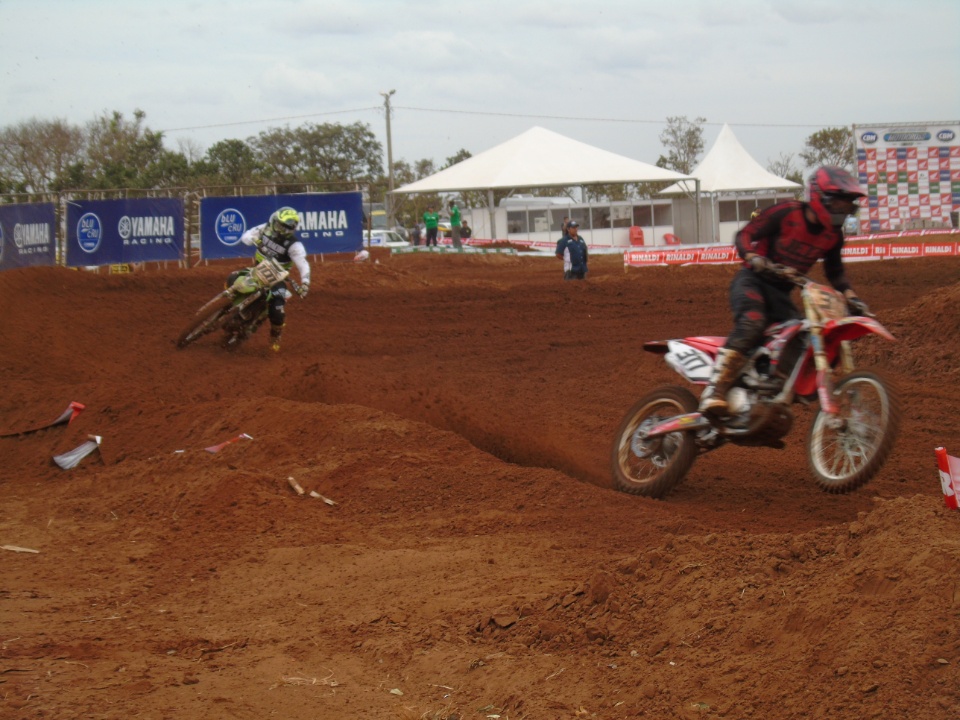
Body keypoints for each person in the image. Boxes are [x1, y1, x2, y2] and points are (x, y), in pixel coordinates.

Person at [699, 166, 870, 417]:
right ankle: (715, 390)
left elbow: (836, 273)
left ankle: (765, 391)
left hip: (782, 294)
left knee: (802, 337)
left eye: (848, 206)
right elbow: (746, 234)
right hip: (753, 281)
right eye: (839, 204)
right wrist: (752, 256)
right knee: (752, 323)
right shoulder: (787, 212)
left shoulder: (833, 236)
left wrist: (853, 298)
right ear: (819, 196)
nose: (842, 211)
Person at [234, 206, 310, 352]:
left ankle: (276, 335)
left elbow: (303, 265)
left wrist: (305, 283)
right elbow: (246, 236)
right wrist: (254, 240)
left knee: (277, 310)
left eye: (283, 226)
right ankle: (225, 301)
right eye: (277, 223)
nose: (277, 228)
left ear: (290, 229)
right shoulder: (265, 228)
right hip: (257, 269)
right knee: (234, 277)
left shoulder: (294, 245)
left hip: (277, 277)